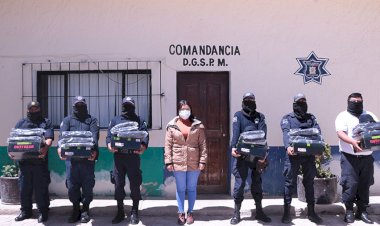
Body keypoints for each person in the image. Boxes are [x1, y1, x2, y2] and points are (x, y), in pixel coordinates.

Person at [280, 93, 323, 224]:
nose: (302, 103)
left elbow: (317, 132)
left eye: (304, 101)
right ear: (294, 104)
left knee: (309, 183)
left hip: (309, 156)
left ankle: (311, 212)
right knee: (289, 183)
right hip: (293, 155)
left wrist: (319, 149)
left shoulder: (311, 118)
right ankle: (286, 212)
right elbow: (286, 133)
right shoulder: (287, 118)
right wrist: (288, 146)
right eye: (299, 101)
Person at [335, 92, 377, 224]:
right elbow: (340, 133)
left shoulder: (369, 115)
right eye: (354, 101)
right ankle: (348, 211)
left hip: (366, 158)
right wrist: (352, 142)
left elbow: (376, 130)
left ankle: (362, 211)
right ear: (348, 102)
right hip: (350, 158)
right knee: (350, 184)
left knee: (365, 185)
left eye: (359, 101)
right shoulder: (343, 116)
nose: (357, 103)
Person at [230, 92, 271, 225]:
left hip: (257, 155)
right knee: (240, 184)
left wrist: (263, 154)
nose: (249, 102)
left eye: (251, 100)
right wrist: (233, 148)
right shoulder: (238, 116)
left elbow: (263, 135)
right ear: (243, 101)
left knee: (257, 183)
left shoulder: (260, 116)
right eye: (247, 100)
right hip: (242, 155)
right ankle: (236, 213)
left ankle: (259, 211)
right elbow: (235, 133)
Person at [106, 96, 149, 224]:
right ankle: (120, 211)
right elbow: (109, 136)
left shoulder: (139, 120)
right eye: (125, 105)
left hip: (133, 156)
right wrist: (109, 145)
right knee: (118, 184)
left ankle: (135, 211)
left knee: (135, 184)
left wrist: (143, 146)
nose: (127, 108)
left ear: (134, 107)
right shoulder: (115, 120)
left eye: (129, 105)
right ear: (122, 106)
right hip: (119, 156)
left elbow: (145, 134)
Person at [164, 100, 207, 225]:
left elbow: (203, 145)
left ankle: (190, 212)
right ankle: (181, 212)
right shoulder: (171, 126)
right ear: (179, 110)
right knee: (181, 189)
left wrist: (202, 161)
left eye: (187, 109)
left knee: (192, 188)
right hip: (178, 162)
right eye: (183, 109)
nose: (185, 111)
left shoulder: (198, 125)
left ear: (191, 110)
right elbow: (168, 145)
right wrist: (168, 162)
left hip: (194, 162)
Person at [57, 96, 99, 223]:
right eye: (77, 105)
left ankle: (85, 209)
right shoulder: (67, 120)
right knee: (72, 186)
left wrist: (94, 151)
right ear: (73, 106)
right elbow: (61, 137)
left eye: (82, 105)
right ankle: (75, 209)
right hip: (72, 161)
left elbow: (94, 137)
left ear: (85, 105)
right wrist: (60, 148)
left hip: (87, 160)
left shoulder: (92, 120)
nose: (79, 107)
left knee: (87, 186)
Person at [12, 101, 53, 223]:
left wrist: (45, 149)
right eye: (32, 109)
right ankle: (25, 211)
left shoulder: (45, 122)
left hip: (39, 162)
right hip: (24, 162)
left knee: (41, 188)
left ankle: (43, 211)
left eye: (36, 109)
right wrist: (11, 152)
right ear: (28, 110)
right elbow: (14, 139)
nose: (34, 111)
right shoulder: (21, 123)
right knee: (24, 188)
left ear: (40, 109)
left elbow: (49, 138)